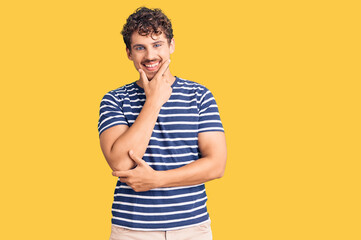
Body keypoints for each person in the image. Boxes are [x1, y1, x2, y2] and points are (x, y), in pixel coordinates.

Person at [98, 6, 227, 240]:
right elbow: (120, 162)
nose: (149, 56)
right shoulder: (114, 99)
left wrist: (158, 180)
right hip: (132, 230)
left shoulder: (199, 95)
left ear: (171, 45)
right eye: (140, 47)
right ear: (129, 52)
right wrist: (153, 102)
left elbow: (216, 165)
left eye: (157, 45)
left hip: (192, 228)